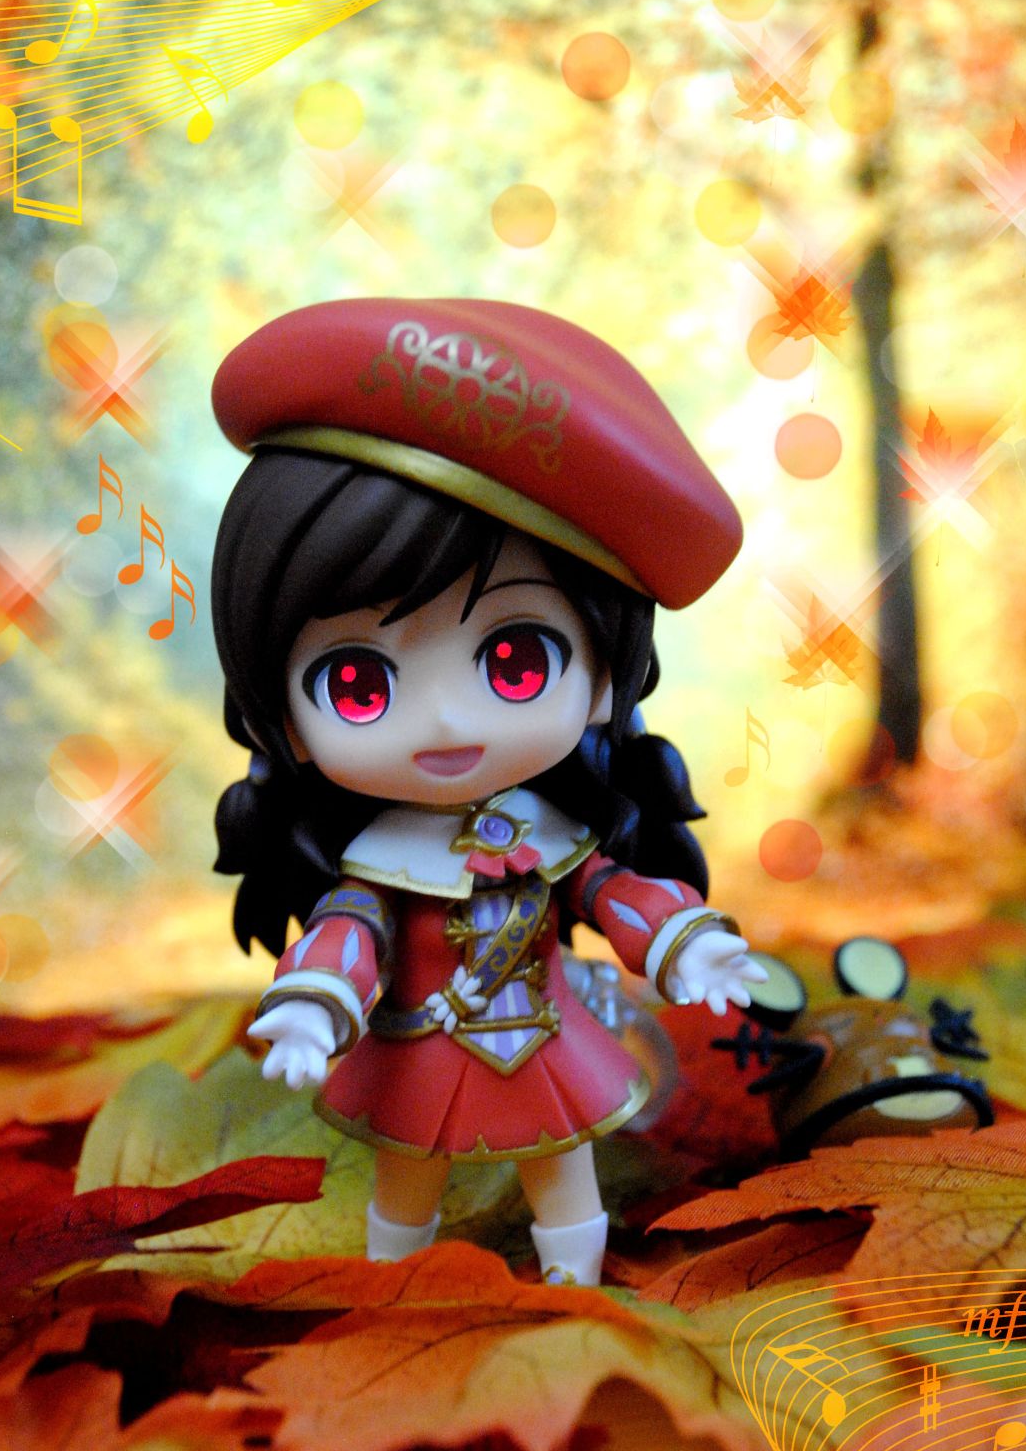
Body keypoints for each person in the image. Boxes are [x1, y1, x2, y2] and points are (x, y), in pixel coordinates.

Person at [210, 297, 765, 1285]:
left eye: (514, 660)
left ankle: (575, 1289)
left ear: (607, 676)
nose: (444, 722)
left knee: (565, 1175)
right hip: (417, 1048)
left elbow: (608, 890)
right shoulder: (381, 860)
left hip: (545, 1042)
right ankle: (396, 1291)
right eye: (358, 681)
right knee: (405, 1184)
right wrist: (315, 1002)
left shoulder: (550, 833)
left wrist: (684, 941)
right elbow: (352, 930)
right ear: (281, 717)